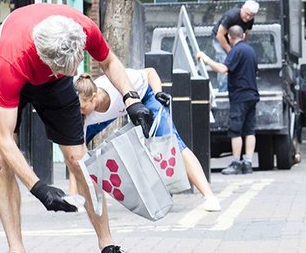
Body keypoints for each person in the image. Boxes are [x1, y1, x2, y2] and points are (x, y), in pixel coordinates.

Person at [0, 3, 155, 253]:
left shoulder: (82, 28)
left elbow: (109, 62)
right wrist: (38, 188)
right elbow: (4, 138)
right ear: (43, 56)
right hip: (6, 74)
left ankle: (108, 244)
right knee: (0, 158)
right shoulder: (13, 59)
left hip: (53, 80)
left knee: (79, 159)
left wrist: (131, 98)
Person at [72, 68, 222, 211]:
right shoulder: (85, 115)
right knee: (76, 147)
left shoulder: (118, 81)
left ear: (93, 97)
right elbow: (76, 155)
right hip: (114, 111)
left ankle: (209, 196)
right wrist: (73, 200)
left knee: (173, 143)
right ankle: (75, 196)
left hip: (143, 98)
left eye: (82, 108)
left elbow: (150, 72)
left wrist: (158, 93)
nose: (80, 112)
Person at [197, 25, 259, 175]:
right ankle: (248, 163)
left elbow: (223, 69)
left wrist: (206, 59)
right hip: (252, 95)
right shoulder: (251, 51)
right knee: (249, 130)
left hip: (239, 96)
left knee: (236, 130)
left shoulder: (236, 51)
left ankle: (236, 163)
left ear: (230, 38)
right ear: (243, 35)